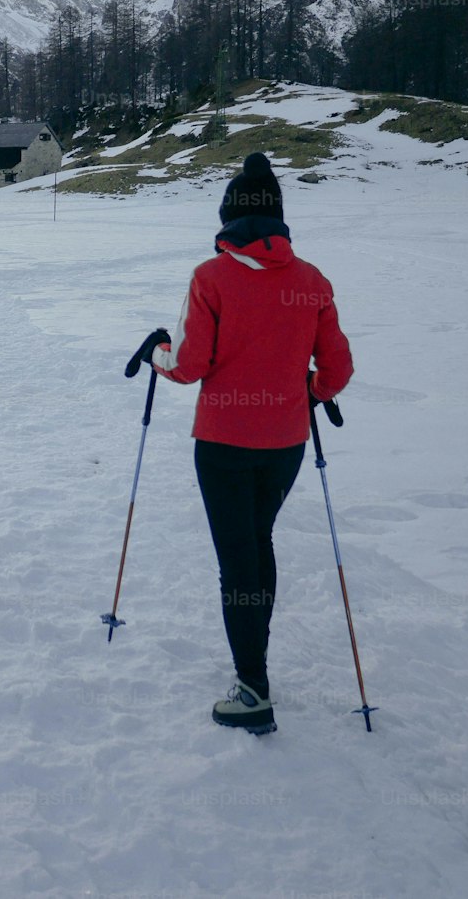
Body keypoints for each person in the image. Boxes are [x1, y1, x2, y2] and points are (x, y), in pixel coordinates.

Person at [147, 152, 352, 735]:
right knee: (257, 541)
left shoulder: (210, 278)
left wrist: (156, 354)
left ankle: (253, 686)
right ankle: (252, 663)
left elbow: (189, 365)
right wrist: (309, 390)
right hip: (284, 443)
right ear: (278, 221)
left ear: (229, 218)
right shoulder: (312, 281)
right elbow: (336, 369)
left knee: (238, 557)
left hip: (223, 443)